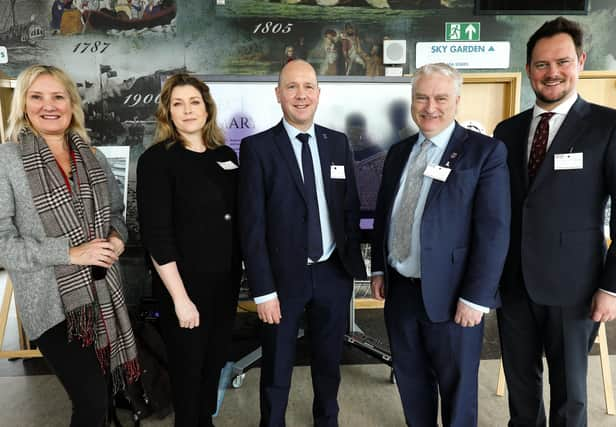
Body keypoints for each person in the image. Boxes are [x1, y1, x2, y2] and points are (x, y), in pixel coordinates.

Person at [494, 17, 616, 426]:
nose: (552, 73)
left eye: (562, 62)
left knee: (570, 394)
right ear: (528, 70)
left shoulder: (611, 127)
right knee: (520, 386)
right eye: (541, 64)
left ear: (580, 62)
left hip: (576, 289)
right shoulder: (506, 132)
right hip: (513, 285)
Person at [370, 63, 510, 427]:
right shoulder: (400, 151)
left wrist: (477, 297)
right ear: (412, 100)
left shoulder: (484, 152)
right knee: (412, 382)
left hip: (454, 297)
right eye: (422, 97)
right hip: (401, 292)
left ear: (457, 101)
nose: (430, 106)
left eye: (440, 98)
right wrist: (380, 267)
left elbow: (494, 231)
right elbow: (387, 210)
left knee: (457, 390)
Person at [0, 64, 139, 426]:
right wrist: (69, 253)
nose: (49, 105)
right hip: (50, 307)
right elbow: (2, 244)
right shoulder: (7, 161)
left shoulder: (94, 157)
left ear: (71, 103)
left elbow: (118, 217)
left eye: (58, 96)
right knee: (91, 402)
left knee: (104, 396)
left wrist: (117, 240)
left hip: (103, 298)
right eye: (37, 96)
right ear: (24, 104)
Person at [238, 59, 366, 427]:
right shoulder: (258, 148)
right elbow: (252, 226)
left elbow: (349, 209)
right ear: (278, 94)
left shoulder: (337, 143)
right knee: (277, 365)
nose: (301, 95)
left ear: (319, 94)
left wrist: (351, 268)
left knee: (329, 363)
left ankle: (327, 420)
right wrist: (262, 291)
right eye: (291, 87)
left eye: (308, 86)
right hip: (281, 280)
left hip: (332, 274)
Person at [136, 73, 241, 427]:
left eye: (194, 102)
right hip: (184, 289)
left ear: (207, 108)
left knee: (212, 369)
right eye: (177, 103)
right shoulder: (157, 160)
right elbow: (157, 235)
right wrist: (180, 299)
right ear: (167, 111)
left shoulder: (225, 156)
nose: (187, 110)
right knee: (188, 376)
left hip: (224, 287)